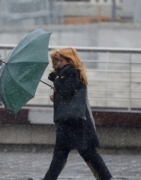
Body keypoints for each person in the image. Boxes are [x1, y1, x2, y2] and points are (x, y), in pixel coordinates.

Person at [28, 47, 113, 180]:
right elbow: (68, 94)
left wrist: (56, 82)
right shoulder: (67, 74)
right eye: (56, 62)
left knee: (84, 153)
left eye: (61, 61)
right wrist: (56, 93)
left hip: (74, 121)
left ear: (70, 60)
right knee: (64, 154)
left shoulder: (72, 73)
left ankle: (107, 178)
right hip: (71, 121)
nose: (57, 64)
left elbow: (66, 91)